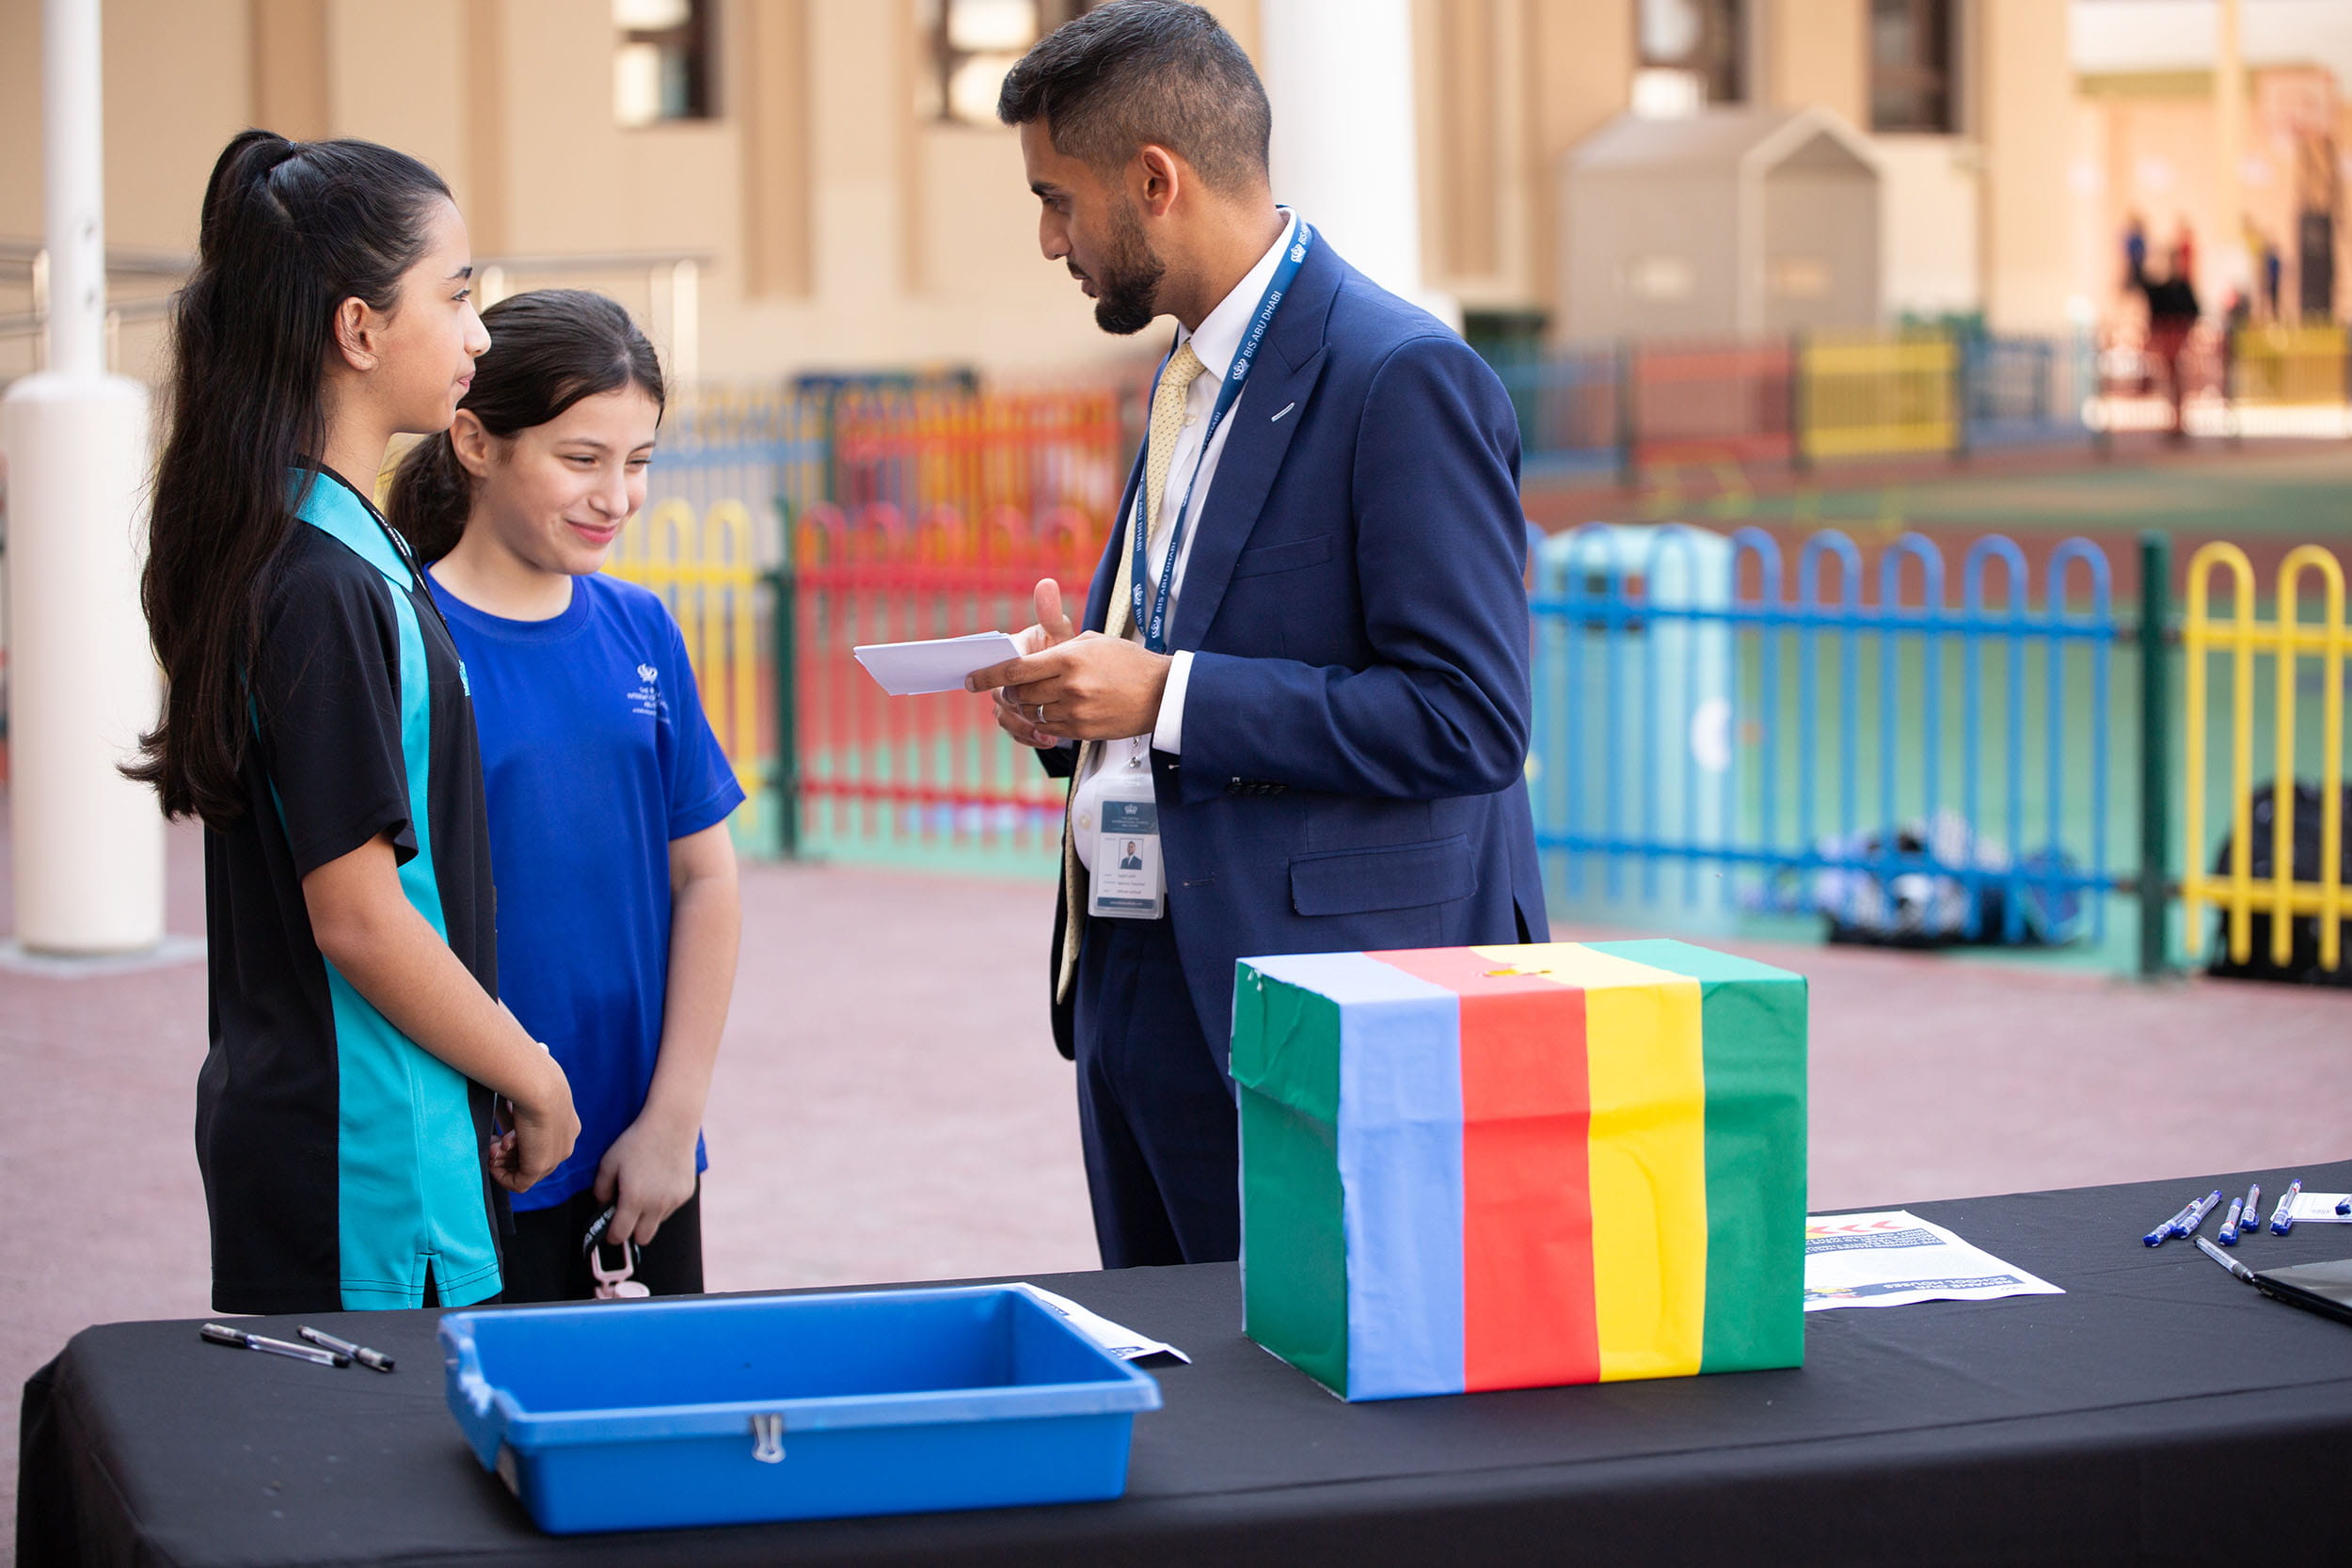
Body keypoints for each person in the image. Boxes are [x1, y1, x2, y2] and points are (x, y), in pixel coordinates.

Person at [966, 2, 1546, 1268]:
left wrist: (1164, 689)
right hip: (1136, 988)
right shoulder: (1188, 369)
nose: (1051, 238)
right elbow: (1194, 644)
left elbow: (1469, 718)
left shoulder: (1401, 377)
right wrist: (1078, 698)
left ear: (1155, 180)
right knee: (1187, 1411)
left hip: (1313, 1010)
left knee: (1318, 1435)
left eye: (1058, 198)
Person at [126, 131, 580, 1313]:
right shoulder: (319, 577)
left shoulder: (332, 543)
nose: (481, 330)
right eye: (459, 293)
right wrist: (532, 1076)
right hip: (366, 1166)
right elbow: (363, 919)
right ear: (359, 329)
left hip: (356, 1137)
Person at [386, 290, 743, 1302]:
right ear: (474, 441)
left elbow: (706, 878)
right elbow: (384, 915)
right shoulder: (408, 641)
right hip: (473, 1168)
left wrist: (673, 1120)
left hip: (639, 1169)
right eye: (581, 459)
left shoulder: (641, 628)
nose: (615, 496)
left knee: (652, 1447)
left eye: (638, 462)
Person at [2133, 239, 2201, 443]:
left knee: (2178, 383)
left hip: (2178, 344)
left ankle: (2179, 421)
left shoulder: (2183, 289)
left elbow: (2193, 311)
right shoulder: (2160, 289)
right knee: (2167, 382)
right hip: (2165, 344)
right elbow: (2145, 286)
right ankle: (2172, 421)